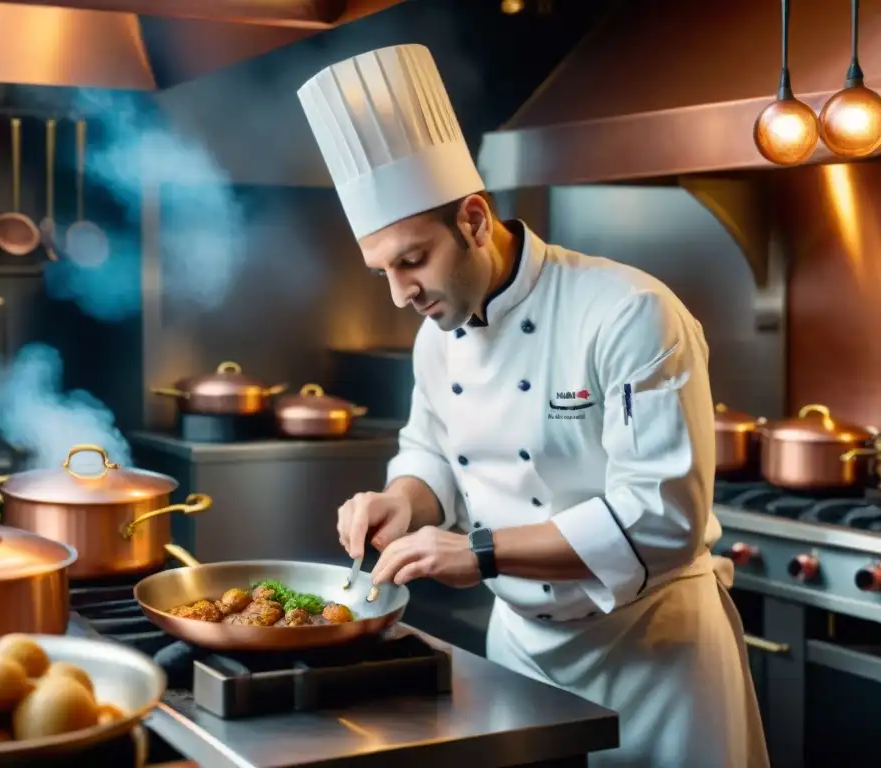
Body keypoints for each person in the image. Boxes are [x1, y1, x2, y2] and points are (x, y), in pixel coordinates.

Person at [297, 44, 769, 767]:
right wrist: (404, 500)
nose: (400, 294)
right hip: (520, 649)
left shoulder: (628, 313)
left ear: (476, 219)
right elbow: (433, 452)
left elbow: (661, 520)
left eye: (412, 260)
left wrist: (479, 553)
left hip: (654, 653)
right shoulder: (437, 334)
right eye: (383, 271)